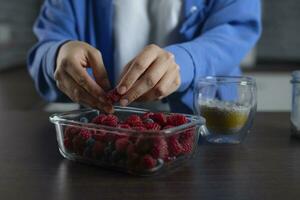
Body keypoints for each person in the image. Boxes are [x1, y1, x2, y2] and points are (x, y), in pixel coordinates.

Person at [27, 0, 261, 114]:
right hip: (105, 137)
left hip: (207, 130)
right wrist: (57, 55)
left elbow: (238, 28)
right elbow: (44, 49)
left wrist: (185, 62)